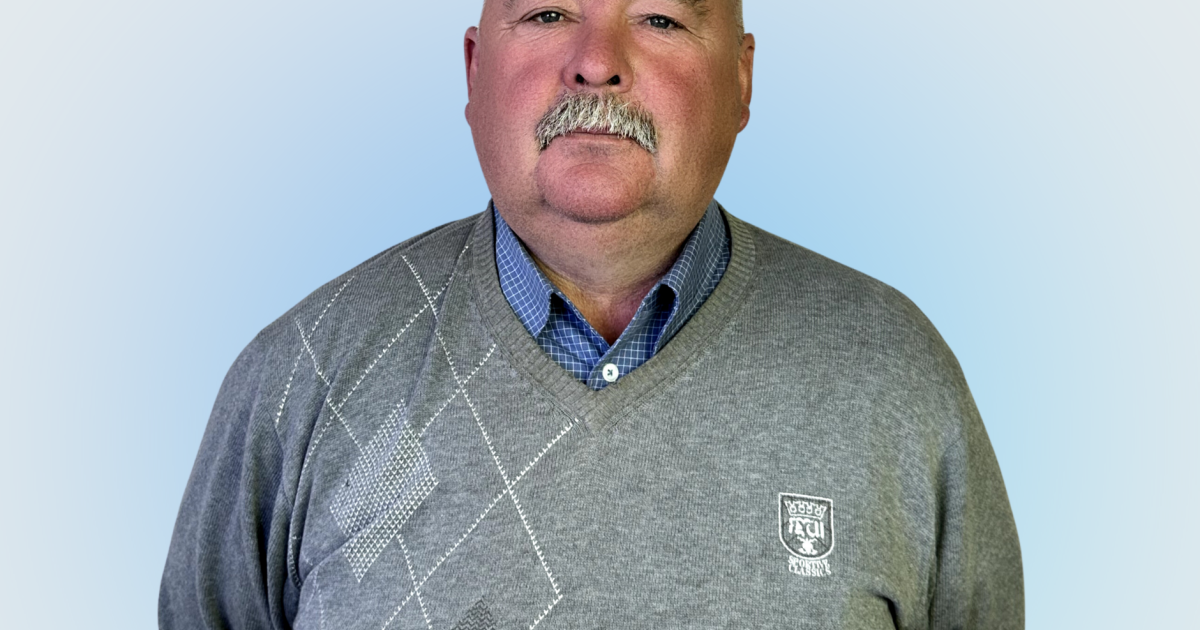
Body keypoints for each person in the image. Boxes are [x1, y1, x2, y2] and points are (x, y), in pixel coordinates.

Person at [160, 0, 1023, 628]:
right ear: (473, 69)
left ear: (742, 78)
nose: (596, 62)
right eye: (546, 13)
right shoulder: (301, 378)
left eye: (659, 19)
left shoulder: (890, 373)